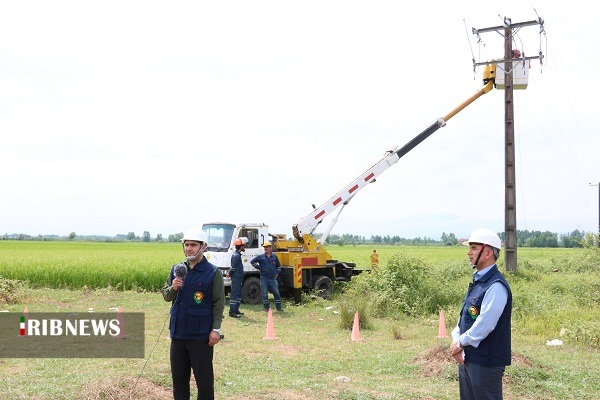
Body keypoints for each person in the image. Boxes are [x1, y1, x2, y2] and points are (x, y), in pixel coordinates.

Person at [161, 227, 225, 400]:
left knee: (204, 383)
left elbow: (218, 303)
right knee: (179, 382)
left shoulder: (213, 272)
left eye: (193, 245)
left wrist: (216, 329)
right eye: (186, 244)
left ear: (203, 247)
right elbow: (166, 296)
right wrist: (173, 287)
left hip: (200, 337)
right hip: (178, 335)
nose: (189, 248)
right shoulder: (177, 269)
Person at [449, 228, 512, 400]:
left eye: (474, 248)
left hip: (485, 362)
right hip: (468, 358)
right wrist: (456, 339)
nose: (469, 253)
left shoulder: (496, 285)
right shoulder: (479, 281)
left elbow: (485, 324)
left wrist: (460, 343)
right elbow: (465, 316)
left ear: (488, 253)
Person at [250, 241, 282, 312]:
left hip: (273, 278)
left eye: (267, 247)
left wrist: (277, 273)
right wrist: (259, 267)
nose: (265, 248)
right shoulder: (261, 257)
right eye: (264, 247)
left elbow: (279, 266)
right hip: (264, 278)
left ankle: (279, 308)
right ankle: (266, 307)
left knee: (276, 293)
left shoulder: (274, 257)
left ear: (270, 248)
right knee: (264, 294)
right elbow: (252, 261)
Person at [226, 237, 246, 318]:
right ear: (240, 246)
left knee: (239, 294)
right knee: (234, 294)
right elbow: (233, 267)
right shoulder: (236, 256)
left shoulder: (237, 255)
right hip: (236, 278)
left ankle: (236, 309)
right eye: (243, 245)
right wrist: (229, 274)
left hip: (239, 277)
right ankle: (232, 311)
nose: (244, 247)